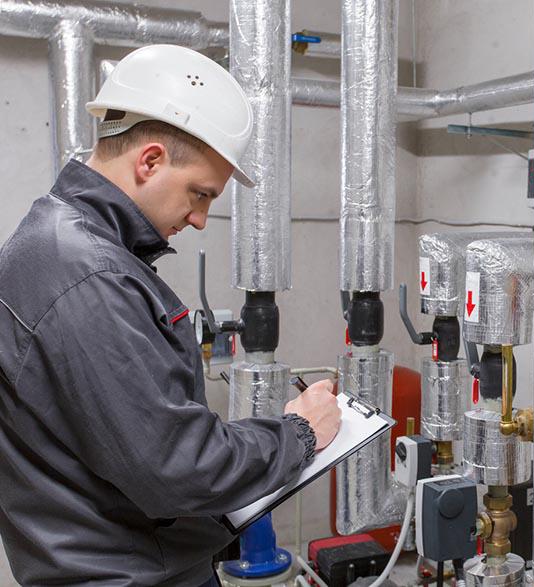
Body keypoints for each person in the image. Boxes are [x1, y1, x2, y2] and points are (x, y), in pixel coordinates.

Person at [0, 44, 341, 586]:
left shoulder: (54, 241)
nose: (201, 219)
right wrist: (300, 433)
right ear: (151, 160)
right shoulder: (91, 276)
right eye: (200, 194)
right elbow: (179, 467)